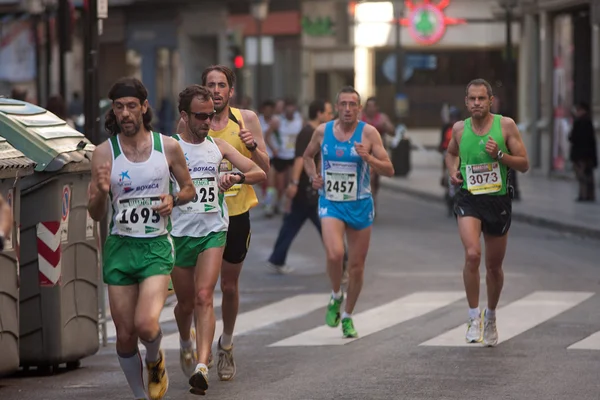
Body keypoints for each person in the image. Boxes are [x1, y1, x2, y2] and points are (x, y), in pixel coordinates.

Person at [87, 77, 195, 400]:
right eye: (119, 107)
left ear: (144, 107)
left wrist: (173, 200)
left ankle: (154, 358)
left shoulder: (168, 147)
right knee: (124, 335)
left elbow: (188, 188)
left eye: (131, 106)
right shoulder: (104, 154)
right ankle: (140, 396)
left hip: (155, 247)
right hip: (120, 248)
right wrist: (101, 193)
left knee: (147, 325)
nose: (125, 113)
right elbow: (94, 213)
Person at [169, 84, 265, 395]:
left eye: (210, 115)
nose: (207, 122)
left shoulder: (218, 148)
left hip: (213, 229)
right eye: (200, 116)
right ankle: (186, 340)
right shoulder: (169, 149)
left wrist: (235, 177)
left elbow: (258, 172)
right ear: (184, 116)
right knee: (184, 305)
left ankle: (201, 366)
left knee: (204, 296)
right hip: (180, 234)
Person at [303, 86, 394, 338]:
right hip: (330, 201)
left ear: (359, 108)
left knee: (356, 266)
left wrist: (370, 159)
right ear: (336, 107)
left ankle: (348, 315)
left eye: (352, 104)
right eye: (343, 104)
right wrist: (313, 177)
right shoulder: (322, 131)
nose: (347, 109)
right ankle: (335, 295)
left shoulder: (370, 133)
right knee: (335, 254)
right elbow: (307, 157)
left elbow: (389, 169)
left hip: (360, 204)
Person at [445, 78, 529, 347]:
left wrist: (501, 156)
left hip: (498, 200)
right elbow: (450, 154)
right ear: (466, 101)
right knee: (472, 255)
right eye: (472, 99)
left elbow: (524, 164)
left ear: (490, 101)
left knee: (493, 267)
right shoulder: (459, 129)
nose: (477, 103)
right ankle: (473, 317)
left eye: (482, 98)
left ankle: (490, 315)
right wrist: (452, 170)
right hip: (469, 198)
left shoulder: (505, 126)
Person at [202, 65, 270, 381]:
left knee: (228, 286)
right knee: (201, 292)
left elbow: (266, 167)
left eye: (221, 85)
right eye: (211, 85)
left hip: (236, 215)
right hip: (201, 217)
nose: (216, 90)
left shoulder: (247, 120)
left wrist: (252, 145)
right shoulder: (192, 122)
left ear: (231, 91)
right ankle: (198, 349)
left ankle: (226, 344)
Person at [266, 99, 333, 274]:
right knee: (326, 224)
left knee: (293, 223)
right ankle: (340, 258)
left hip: (309, 188)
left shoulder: (315, 132)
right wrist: (294, 183)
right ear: (318, 113)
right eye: (328, 112)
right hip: (306, 188)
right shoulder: (308, 132)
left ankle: (277, 258)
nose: (330, 115)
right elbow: (299, 159)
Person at [360, 97, 395, 212]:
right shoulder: (361, 117)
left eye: (372, 106)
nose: (370, 109)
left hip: (377, 153)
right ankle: (369, 202)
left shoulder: (382, 118)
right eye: (368, 106)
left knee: (375, 180)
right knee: (370, 177)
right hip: (364, 152)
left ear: (376, 107)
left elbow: (392, 131)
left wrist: (385, 126)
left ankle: (372, 196)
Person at [569, 102, 597, 202]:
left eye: (578, 110)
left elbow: (573, 138)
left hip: (580, 155)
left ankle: (583, 195)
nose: (577, 112)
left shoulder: (580, 122)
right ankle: (589, 195)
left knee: (582, 176)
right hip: (587, 155)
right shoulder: (588, 122)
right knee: (587, 175)